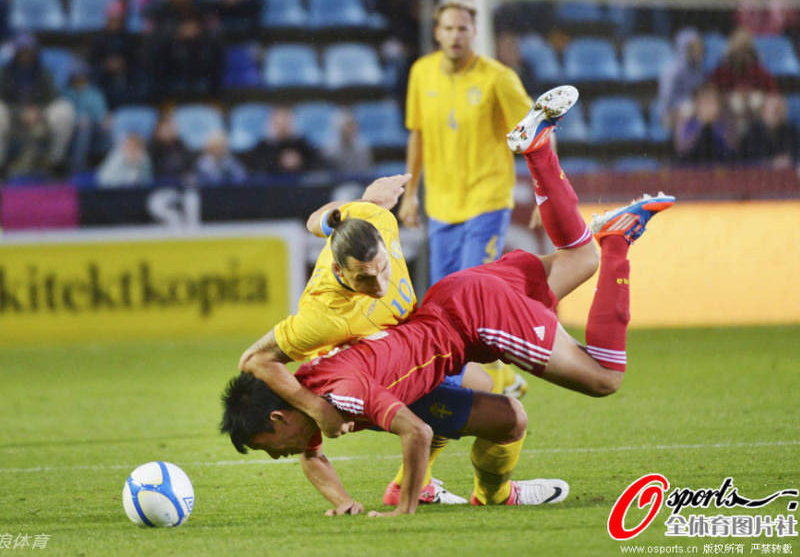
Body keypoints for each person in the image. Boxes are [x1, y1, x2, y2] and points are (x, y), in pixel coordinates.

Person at [223, 88, 676, 516]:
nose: (381, 286)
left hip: (473, 317)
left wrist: (400, 513)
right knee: (578, 260)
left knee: (603, 379)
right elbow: (305, 441)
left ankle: (615, 237)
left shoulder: (330, 325)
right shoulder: (316, 357)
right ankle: (540, 152)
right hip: (450, 310)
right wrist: (341, 495)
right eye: (368, 279)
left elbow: (259, 357)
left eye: (269, 445)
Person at [238, 172, 487, 505]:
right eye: (366, 278)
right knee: (489, 413)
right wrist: (317, 408)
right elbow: (252, 361)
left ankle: (418, 481)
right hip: (373, 377)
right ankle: (471, 491)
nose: (381, 286)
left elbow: (323, 219)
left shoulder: (377, 220)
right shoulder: (324, 318)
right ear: (341, 273)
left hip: (414, 345)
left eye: (383, 270)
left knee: (483, 384)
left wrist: (352, 206)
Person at [399, 0, 532, 396]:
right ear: (437, 32)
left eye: (463, 29)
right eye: (449, 28)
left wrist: (545, 194)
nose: (456, 35)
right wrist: (410, 195)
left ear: (474, 33)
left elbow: (537, 131)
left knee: (472, 296)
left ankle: (495, 380)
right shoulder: (421, 73)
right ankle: (494, 379)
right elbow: (417, 134)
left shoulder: (498, 78)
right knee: (444, 304)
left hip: (487, 199)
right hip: (441, 204)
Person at [0, 33, 76, 177]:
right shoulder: (3, 72)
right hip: (11, 119)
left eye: (29, 50)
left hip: (40, 118)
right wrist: (20, 112)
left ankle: (56, 160)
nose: (26, 54)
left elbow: (53, 98)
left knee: (64, 109)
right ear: (16, 52)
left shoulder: (44, 72)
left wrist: (36, 112)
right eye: (23, 50)